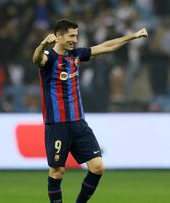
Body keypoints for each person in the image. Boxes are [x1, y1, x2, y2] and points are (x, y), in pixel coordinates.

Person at [32, 19, 147, 203]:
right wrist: (43, 44)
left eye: (76, 35)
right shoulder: (49, 58)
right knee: (57, 171)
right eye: (71, 35)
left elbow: (106, 47)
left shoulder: (76, 55)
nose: (75, 39)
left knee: (97, 167)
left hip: (79, 123)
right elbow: (37, 59)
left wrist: (133, 36)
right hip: (57, 124)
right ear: (59, 36)